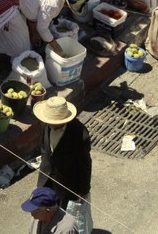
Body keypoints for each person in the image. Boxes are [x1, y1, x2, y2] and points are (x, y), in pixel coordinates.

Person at [33, 97, 92, 233]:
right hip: (46, 179)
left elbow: (84, 163)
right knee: (42, 212)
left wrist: (83, 189)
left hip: (66, 184)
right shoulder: (45, 124)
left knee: (62, 216)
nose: (50, 124)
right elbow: (44, 148)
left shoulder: (79, 133)